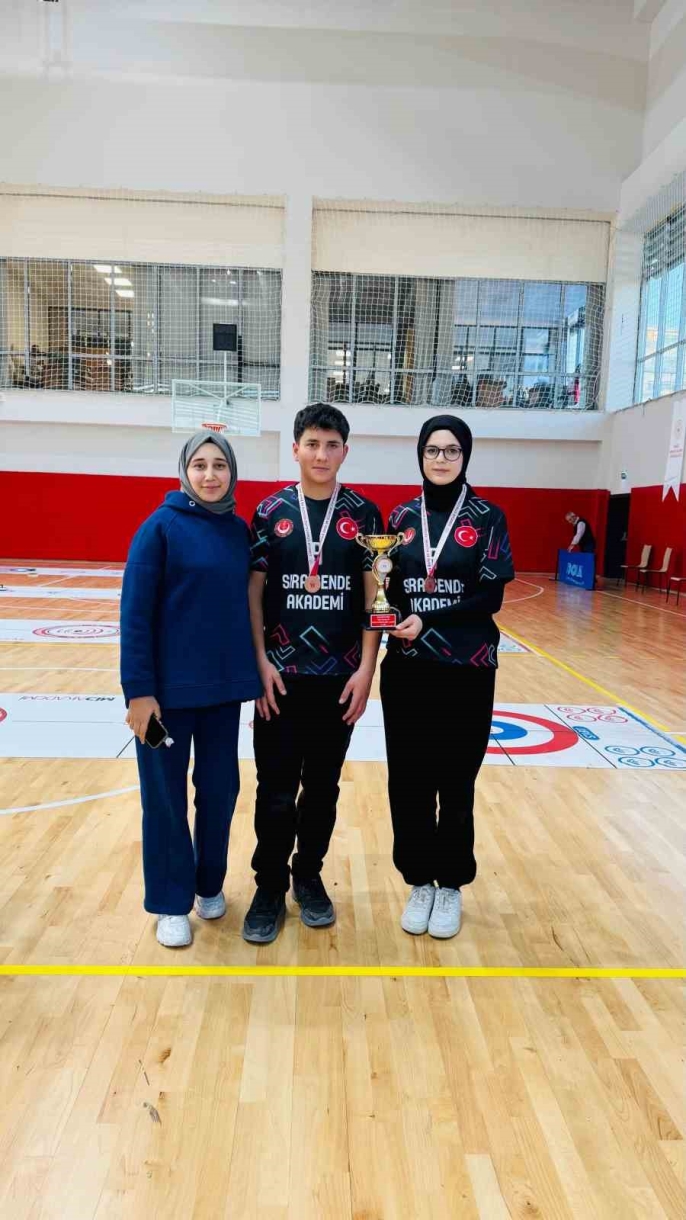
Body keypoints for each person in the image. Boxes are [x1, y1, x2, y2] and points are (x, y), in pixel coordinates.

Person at [243, 403, 383, 944]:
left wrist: (367, 669)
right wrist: (259, 662)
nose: (321, 454)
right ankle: (268, 887)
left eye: (331, 445)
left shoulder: (366, 515)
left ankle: (308, 875)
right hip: (279, 678)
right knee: (275, 791)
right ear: (295, 448)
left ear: (345, 451)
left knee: (322, 789)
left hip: (340, 681)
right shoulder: (270, 511)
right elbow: (254, 594)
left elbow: (375, 597)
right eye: (312, 444)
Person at [120, 431, 261, 949]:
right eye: (199, 464)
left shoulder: (238, 531)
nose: (209, 474)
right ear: (184, 470)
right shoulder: (158, 528)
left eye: (219, 465)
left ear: (232, 472)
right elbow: (135, 615)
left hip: (222, 694)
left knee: (220, 793)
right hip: (164, 701)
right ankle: (169, 901)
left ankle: (208, 884)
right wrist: (139, 692)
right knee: (165, 800)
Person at [381, 414, 515, 939]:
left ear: (466, 456)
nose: (441, 459)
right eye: (432, 450)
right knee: (409, 781)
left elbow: (490, 597)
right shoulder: (400, 517)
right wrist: (391, 613)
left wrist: (428, 619)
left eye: (452, 450)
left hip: (467, 669)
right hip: (409, 669)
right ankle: (419, 881)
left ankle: (452, 884)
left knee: (456, 781)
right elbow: (389, 589)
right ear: (420, 455)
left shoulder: (488, 517)